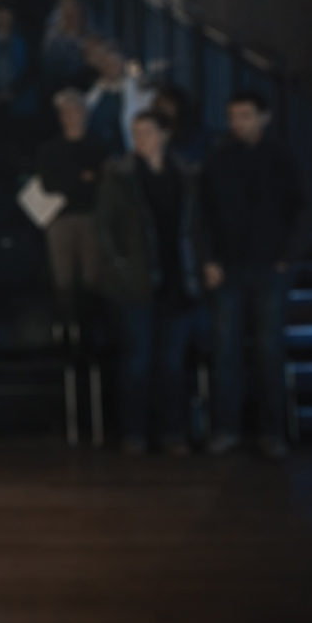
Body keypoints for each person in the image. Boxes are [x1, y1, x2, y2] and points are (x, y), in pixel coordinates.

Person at [201, 91, 307, 458]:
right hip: (230, 266)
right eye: (233, 116)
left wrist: (288, 256)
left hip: (269, 265)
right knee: (226, 350)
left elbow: (304, 207)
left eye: (245, 115)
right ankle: (227, 429)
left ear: (264, 117)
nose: (238, 123)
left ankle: (272, 432)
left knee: (268, 350)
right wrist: (209, 259)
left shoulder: (282, 157)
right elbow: (204, 212)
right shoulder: (218, 159)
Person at [95, 112, 206, 454]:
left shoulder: (186, 175)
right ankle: (134, 432)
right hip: (136, 284)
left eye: (147, 132)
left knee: (171, 362)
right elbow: (105, 227)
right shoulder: (120, 176)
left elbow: (198, 225)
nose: (141, 139)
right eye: (135, 133)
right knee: (137, 359)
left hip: (177, 278)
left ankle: (171, 431)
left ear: (164, 134)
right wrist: (122, 267)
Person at [34, 89, 110, 316]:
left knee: (93, 276)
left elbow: (103, 183)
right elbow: (48, 184)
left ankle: (92, 328)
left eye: (75, 110)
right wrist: (80, 178)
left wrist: (72, 181)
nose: (71, 116)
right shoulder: (49, 150)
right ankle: (66, 330)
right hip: (59, 218)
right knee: (63, 278)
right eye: (65, 112)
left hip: (90, 216)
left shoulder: (98, 147)